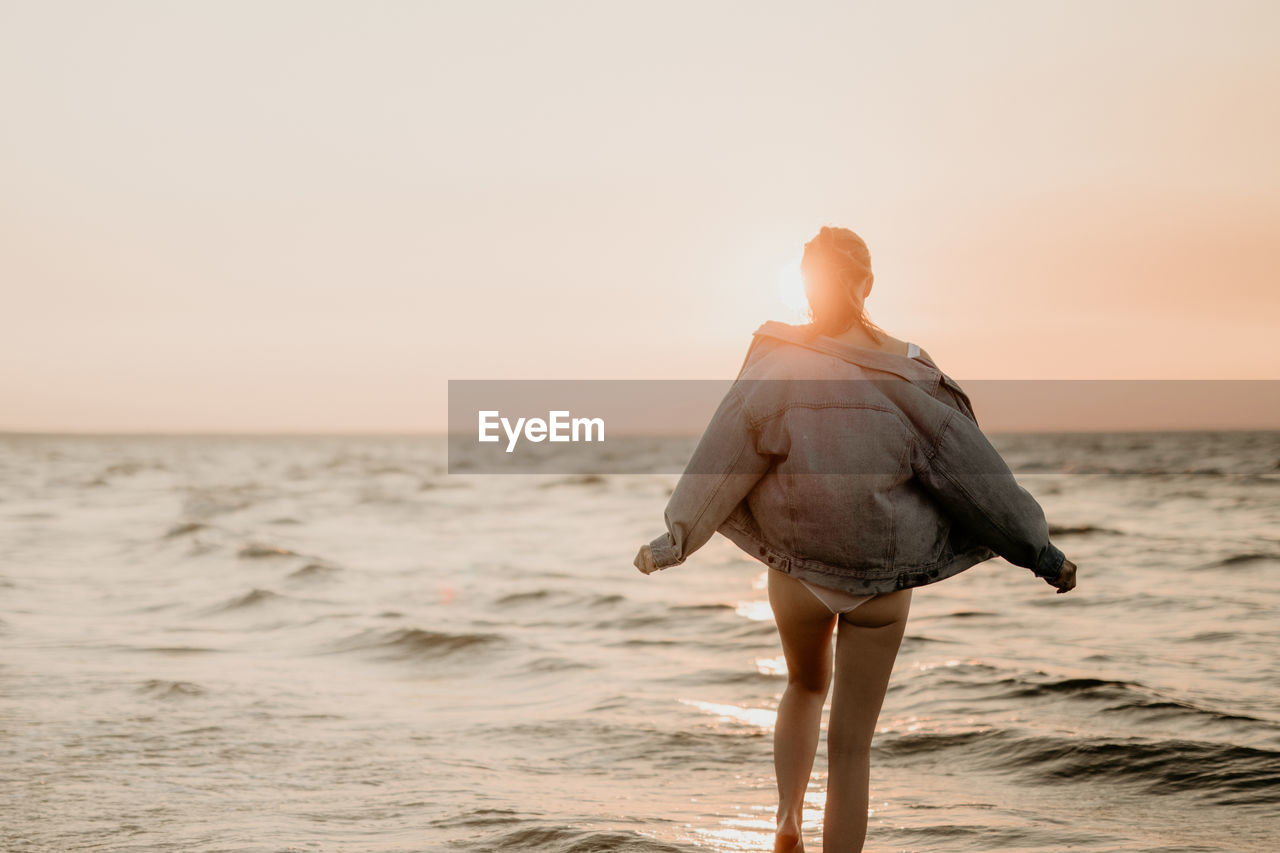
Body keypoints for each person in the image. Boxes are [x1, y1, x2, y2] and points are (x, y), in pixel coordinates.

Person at [632, 225, 1078, 853]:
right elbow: (976, 479)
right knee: (852, 750)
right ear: (866, 282)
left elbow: (724, 458)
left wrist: (673, 540)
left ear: (805, 283)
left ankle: (786, 823)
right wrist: (1043, 555)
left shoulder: (778, 360)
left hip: (797, 574)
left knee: (802, 688)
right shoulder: (910, 370)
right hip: (881, 585)